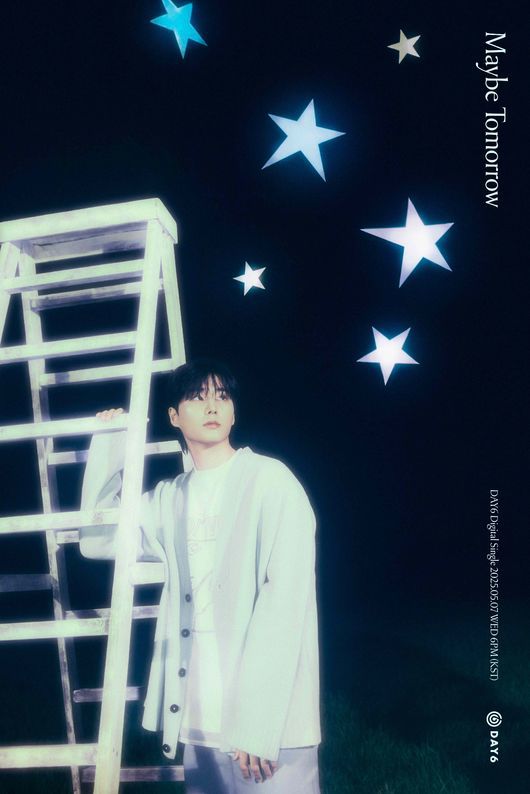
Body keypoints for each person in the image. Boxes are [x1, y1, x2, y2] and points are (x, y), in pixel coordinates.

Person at [79, 358, 321, 792]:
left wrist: (259, 723)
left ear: (234, 412)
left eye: (222, 397)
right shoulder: (169, 498)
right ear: (174, 416)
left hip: (270, 727)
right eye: (197, 397)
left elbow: (285, 603)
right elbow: (97, 540)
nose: (212, 406)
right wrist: (110, 445)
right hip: (200, 721)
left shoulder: (272, 481)